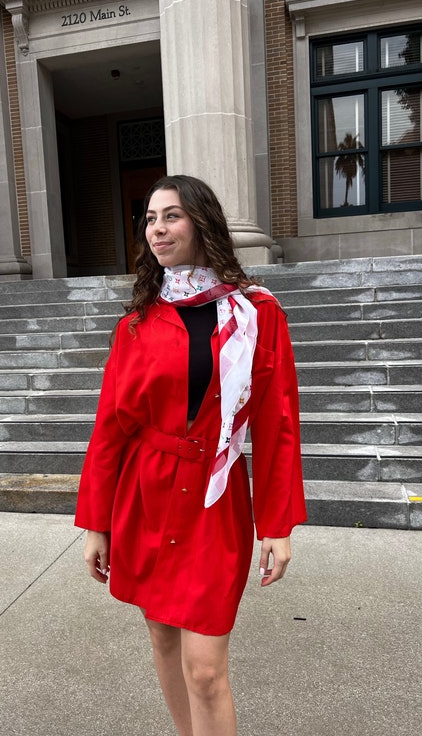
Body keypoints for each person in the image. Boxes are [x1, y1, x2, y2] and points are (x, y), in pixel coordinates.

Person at [75, 174, 306, 736]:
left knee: (205, 669)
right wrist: (95, 524)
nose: (158, 228)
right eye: (150, 218)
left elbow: (278, 423)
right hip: (146, 495)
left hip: (214, 497)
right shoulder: (136, 323)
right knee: (160, 635)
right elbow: (110, 428)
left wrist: (276, 525)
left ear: (202, 222)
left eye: (171, 215)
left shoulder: (256, 314)